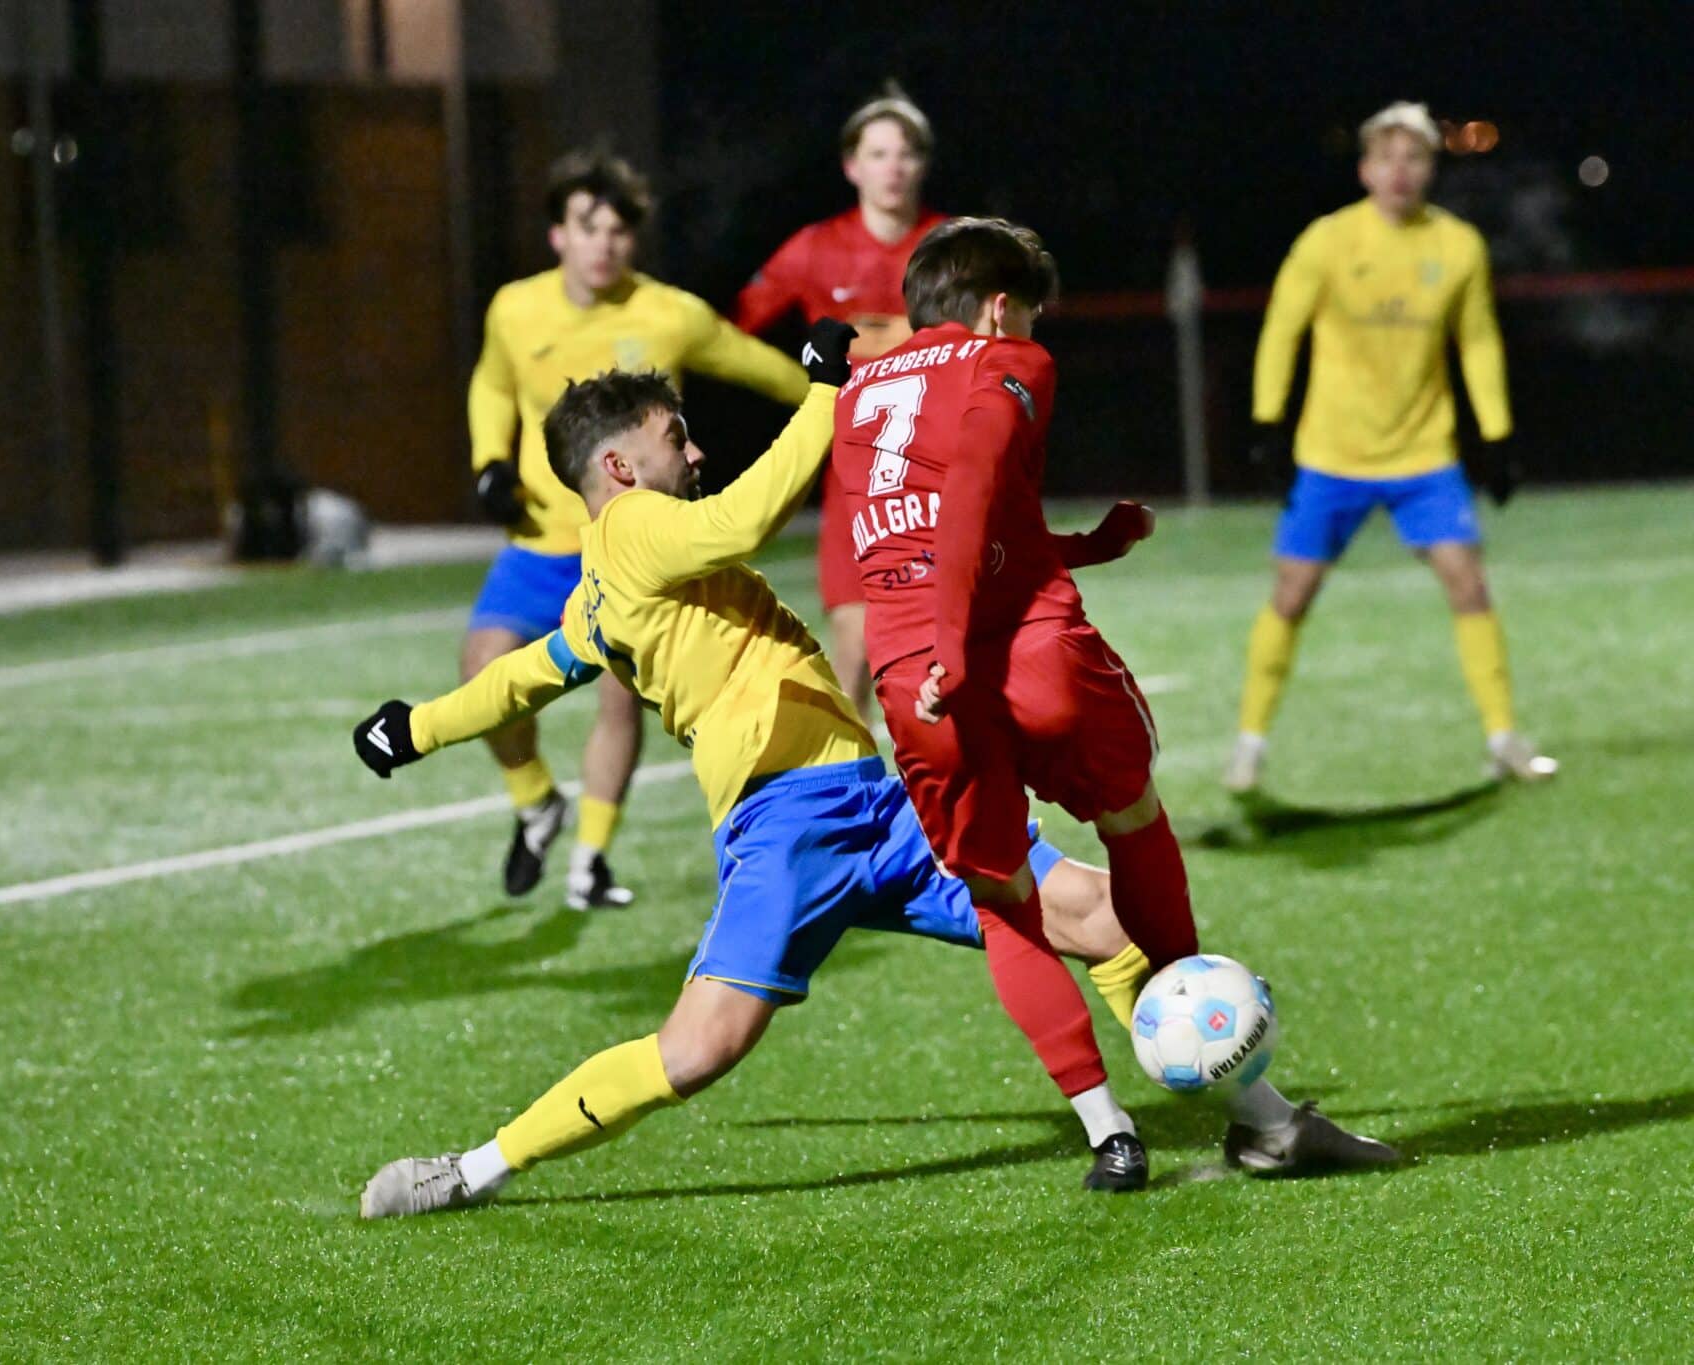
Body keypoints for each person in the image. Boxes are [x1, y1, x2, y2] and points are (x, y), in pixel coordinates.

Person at [352, 327, 1159, 1215]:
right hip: (788, 826)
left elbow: (521, 676)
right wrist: (823, 393)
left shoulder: (601, 594)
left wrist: (415, 728)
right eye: (675, 437)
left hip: (874, 802)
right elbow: (744, 519)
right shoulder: (631, 527)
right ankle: (470, 1170)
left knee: (1097, 916)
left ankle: (1202, 1100)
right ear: (619, 467)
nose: (696, 452)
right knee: (695, 1050)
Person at [830, 216, 1398, 1177]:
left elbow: (928, 534)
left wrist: (1083, 546)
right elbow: (968, 488)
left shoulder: (857, 396)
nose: (1035, 333)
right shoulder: (1008, 359)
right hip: (1021, 652)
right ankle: (1254, 1113)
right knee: (1133, 822)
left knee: (1004, 904)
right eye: (1031, 315)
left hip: (911, 682)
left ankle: (1111, 1136)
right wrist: (962, 649)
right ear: (1000, 307)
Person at [465, 150, 811, 910]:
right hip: (542, 539)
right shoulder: (514, 309)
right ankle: (535, 801)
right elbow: (491, 381)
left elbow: (760, 366)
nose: (604, 243)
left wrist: (844, 391)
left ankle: (589, 857)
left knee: (621, 699)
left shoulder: (669, 314)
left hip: (637, 548)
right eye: (588, 226)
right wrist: (490, 460)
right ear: (558, 234)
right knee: (481, 672)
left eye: (618, 230)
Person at [1226, 101, 1555, 792]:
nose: (1400, 171)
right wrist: (1267, 425)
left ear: (1431, 169)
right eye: (1387, 158)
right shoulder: (1327, 241)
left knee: (1469, 583)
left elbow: (1477, 341)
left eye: (1415, 158)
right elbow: (1282, 330)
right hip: (1332, 455)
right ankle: (1249, 745)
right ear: (1365, 169)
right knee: (1292, 592)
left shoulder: (1457, 246)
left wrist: (1497, 434)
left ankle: (1504, 737)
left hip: (1424, 455)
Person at [737, 84, 948, 719]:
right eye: (878, 154)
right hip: (854, 481)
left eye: (905, 153)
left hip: (941, 479)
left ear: (923, 164)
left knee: (941, 672)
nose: (893, 168)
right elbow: (732, 330)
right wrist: (798, 385)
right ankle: (856, 783)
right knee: (854, 659)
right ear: (852, 166)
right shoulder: (815, 249)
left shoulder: (951, 248)